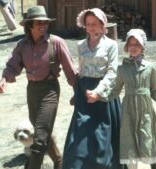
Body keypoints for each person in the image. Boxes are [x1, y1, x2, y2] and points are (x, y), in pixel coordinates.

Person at [0, 5, 77, 169]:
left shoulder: (56, 43)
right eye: (39, 23)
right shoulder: (22, 45)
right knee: (43, 132)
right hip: (32, 91)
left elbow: (71, 71)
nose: (43, 26)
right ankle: (59, 162)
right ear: (29, 25)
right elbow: (13, 65)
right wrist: (4, 78)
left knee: (40, 138)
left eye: (45, 23)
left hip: (50, 91)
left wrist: (78, 92)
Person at [98, 29, 156, 169]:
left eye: (137, 44)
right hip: (128, 113)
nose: (133, 47)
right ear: (127, 46)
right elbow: (115, 90)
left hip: (145, 112)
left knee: (148, 141)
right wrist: (99, 96)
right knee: (129, 145)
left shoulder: (150, 68)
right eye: (130, 44)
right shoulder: (122, 69)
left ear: (143, 47)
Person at [62, 8, 122, 169]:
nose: (91, 27)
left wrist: (99, 92)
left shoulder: (111, 45)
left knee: (101, 135)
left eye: (95, 24)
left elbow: (112, 72)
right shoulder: (80, 45)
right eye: (88, 24)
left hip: (105, 94)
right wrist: (77, 93)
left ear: (103, 25)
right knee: (81, 134)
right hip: (84, 94)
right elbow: (81, 72)